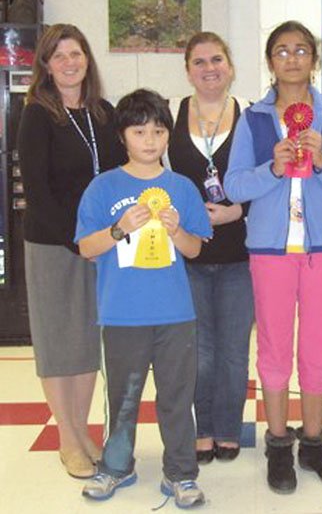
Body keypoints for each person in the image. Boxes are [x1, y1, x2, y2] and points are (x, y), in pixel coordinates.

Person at [225, 20, 322, 494]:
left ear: (314, 59)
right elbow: (235, 185)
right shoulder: (254, 118)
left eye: (301, 50)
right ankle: (279, 444)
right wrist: (274, 167)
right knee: (273, 349)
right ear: (270, 62)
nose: (292, 58)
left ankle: (313, 442)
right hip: (269, 251)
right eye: (282, 51)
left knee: (319, 348)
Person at [75, 89, 212, 508]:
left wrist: (176, 231)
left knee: (176, 396)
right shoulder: (103, 187)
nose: (149, 140)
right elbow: (86, 247)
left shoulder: (182, 188)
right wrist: (117, 230)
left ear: (168, 135)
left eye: (158, 130)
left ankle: (181, 474)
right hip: (121, 315)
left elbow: (195, 249)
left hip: (175, 314)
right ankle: (116, 467)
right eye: (139, 131)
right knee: (123, 397)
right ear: (123, 135)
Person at [17, 24, 126, 479]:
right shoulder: (38, 114)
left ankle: (84, 430)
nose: (68, 62)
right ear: (46, 64)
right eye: (57, 55)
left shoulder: (103, 112)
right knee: (57, 341)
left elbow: (123, 173)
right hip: (54, 243)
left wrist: (110, 236)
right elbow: (37, 191)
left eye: (75, 53)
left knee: (86, 342)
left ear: (87, 58)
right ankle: (66, 435)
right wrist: (78, 242)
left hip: (101, 247)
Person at [168, 32, 254, 464]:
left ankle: (228, 428)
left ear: (230, 66)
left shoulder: (252, 117)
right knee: (199, 350)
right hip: (191, 254)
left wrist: (237, 211)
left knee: (234, 351)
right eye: (199, 62)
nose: (209, 68)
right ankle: (203, 430)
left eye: (216, 59)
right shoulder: (171, 116)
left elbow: (268, 178)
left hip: (240, 253)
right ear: (188, 71)